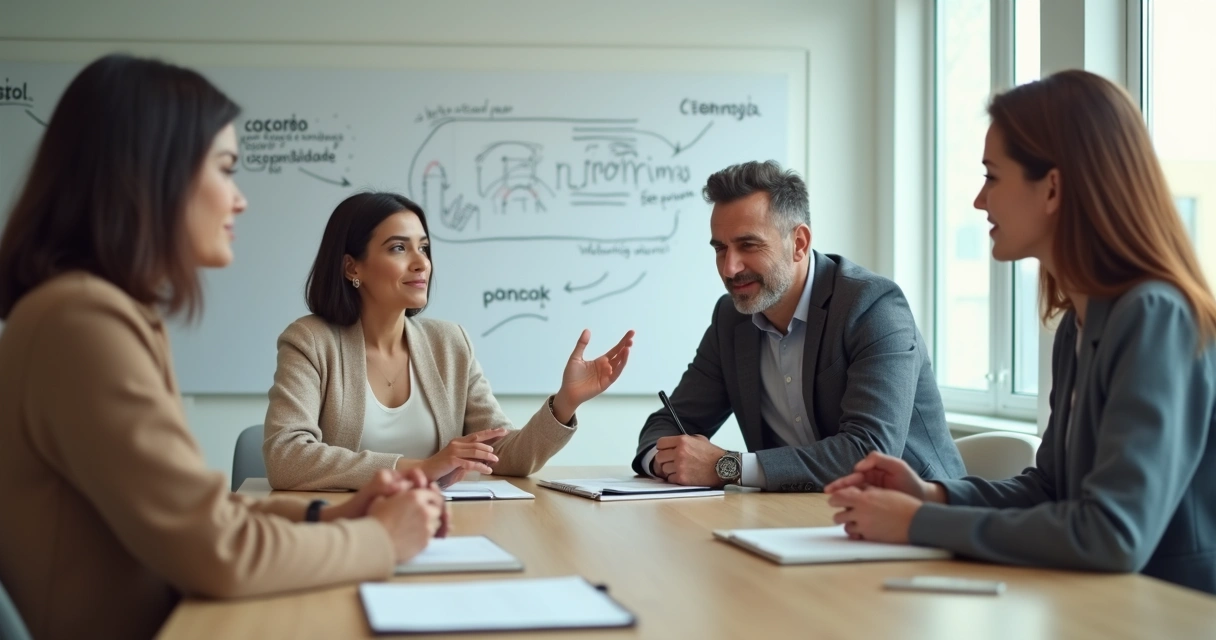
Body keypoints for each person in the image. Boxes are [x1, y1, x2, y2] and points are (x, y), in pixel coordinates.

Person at [0, 55, 449, 640]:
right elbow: (217, 549)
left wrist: (329, 514)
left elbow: (201, 514)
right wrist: (381, 539)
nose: (239, 200)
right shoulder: (83, 322)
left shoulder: (95, 312)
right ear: (152, 174)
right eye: (225, 170)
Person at [826, 70, 1216, 595]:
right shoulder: (1080, 322)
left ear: (1052, 187)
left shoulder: (1155, 316)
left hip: (1167, 613)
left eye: (992, 176)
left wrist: (917, 524)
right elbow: (1051, 489)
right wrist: (931, 496)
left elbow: (1113, 534)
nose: (979, 201)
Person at [262, 191, 634, 490]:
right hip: (344, 529)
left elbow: (501, 454)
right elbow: (286, 457)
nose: (421, 262)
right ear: (351, 267)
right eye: (398, 248)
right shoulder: (310, 341)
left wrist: (564, 403)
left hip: (437, 527)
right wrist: (419, 469)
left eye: (423, 247)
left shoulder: (449, 343)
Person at [633, 160, 964, 491]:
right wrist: (669, 460)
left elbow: (869, 450)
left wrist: (726, 467)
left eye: (748, 245)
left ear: (800, 243)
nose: (730, 268)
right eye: (721, 249)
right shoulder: (731, 319)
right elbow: (667, 424)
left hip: (914, 510)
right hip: (799, 511)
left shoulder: (872, 305)